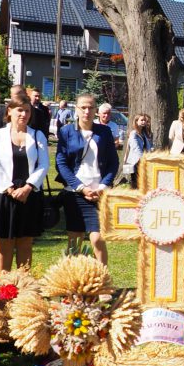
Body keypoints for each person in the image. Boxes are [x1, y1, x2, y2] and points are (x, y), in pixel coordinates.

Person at [0, 96, 49, 272]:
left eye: (27, 111)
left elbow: (43, 164)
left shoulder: (37, 135)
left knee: (26, 242)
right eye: (20, 110)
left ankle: (23, 283)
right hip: (4, 194)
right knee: (5, 242)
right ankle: (4, 283)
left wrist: (28, 187)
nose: (24, 114)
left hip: (29, 195)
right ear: (9, 111)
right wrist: (9, 189)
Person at [57, 93, 118, 264]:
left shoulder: (104, 132)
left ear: (96, 110)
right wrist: (81, 188)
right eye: (83, 107)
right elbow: (61, 163)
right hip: (74, 192)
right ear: (76, 109)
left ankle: (102, 277)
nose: (87, 111)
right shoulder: (66, 131)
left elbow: (113, 162)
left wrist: (103, 186)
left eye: (91, 107)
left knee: (98, 239)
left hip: (99, 193)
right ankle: (72, 277)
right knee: (75, 240)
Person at [123, 112, 153, 188]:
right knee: (136, 181)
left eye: (145, 120)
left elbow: (148, 146)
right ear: (136, 121)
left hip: (144, 160)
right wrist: (143, 157)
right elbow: (136, 148)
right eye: (141, 120)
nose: (144, 122)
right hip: (136, 161)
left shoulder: (144, 133)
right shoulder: (134, 133)